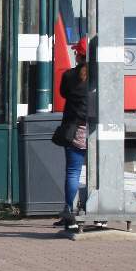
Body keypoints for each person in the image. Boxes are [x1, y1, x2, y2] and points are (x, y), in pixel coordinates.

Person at [57, 38, 90, 232]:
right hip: (95, 130)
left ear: (78, 55)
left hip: (74, 129)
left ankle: (70, 211)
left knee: (73, 172)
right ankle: (95, 209)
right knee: (100, 171)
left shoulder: (69, 76)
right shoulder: (100, 76)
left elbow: (63, 94)